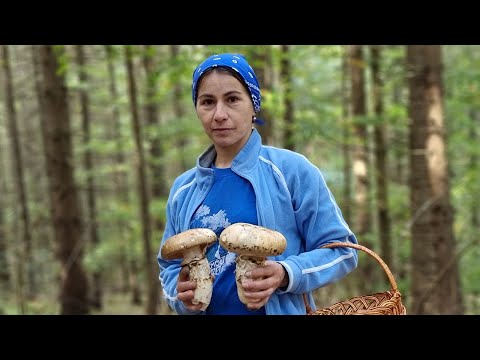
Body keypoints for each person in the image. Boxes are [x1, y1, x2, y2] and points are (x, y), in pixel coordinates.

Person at [157, 52, 358, 315]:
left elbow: (343, 252)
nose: (219, 114)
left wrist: (286, 273)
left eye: (232, 99)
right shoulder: (183, 189)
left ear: (254, 104)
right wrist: (179, 294)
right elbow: (168, 268)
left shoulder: (291, 171)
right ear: (197, 109)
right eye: (207, 102)